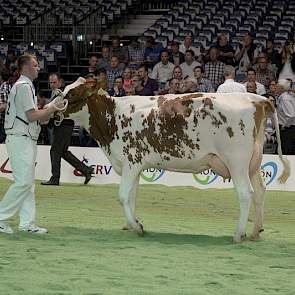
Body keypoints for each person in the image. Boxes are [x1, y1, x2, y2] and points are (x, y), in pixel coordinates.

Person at [0, 54, 63, 234]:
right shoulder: (23, 86)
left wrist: (51, 108)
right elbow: (32, 116)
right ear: (26, 67)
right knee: (23, 183)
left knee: (27, 184)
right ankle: (1, 217)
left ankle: (27, 223)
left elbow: (36, 118)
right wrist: (52, 107)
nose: (38, 68)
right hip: (21, 139)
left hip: (24, 138)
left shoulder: (25, 86)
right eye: (35, 65)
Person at [41, 74, 93, 186]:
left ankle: (55, 178)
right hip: (63, 125)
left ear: (60, 82)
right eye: (50, 82)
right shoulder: (56, 93)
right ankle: (86, 170)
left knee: (55, 151)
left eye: (54, 82)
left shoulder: (66, 93)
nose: (52, 85)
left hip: (65, 124)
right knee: (63, 152)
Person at [276, 79, 295, 155]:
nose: (275, 88)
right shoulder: (285, 97)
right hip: (288, 128)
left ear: (282, 88)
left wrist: (285, 125)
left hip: (288, 129)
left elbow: (291, 115)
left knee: (287, 151)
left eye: (277, 86)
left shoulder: (285, 99)